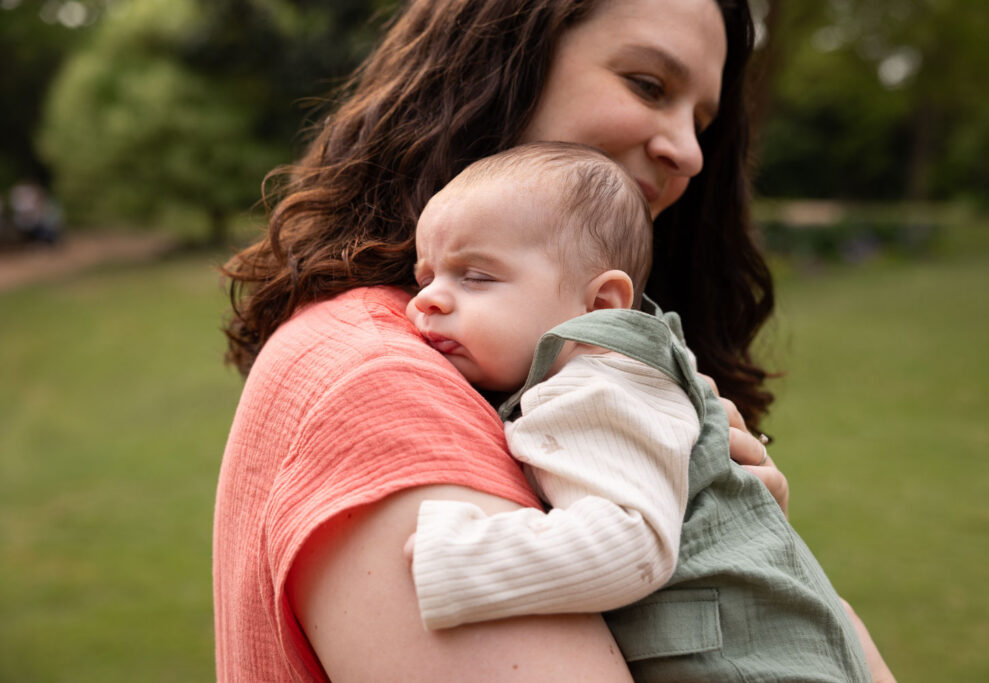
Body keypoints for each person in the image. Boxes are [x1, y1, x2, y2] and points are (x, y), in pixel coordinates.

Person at [214, 0, 895, 680]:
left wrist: (740, 544)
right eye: (648, 84)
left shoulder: (534, 365)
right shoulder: (377, 377)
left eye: (701, 123)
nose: (688, 153)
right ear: (500, 61)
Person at [403, 141, 873, 680]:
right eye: (425, 278)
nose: (427, 301)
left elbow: (633, 544)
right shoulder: (614, 369)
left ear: (600, 305)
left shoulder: (595, 387)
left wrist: (458, 558)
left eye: (476, 277)